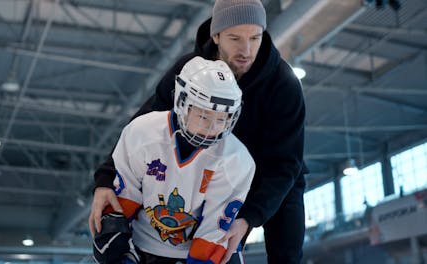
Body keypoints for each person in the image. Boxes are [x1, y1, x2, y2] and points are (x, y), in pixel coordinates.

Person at [90, 0, 308, 263]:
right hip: (212, 167)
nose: (246, 50)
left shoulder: (284, 85)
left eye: (255, 37)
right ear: (216, 35)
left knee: (287, 248)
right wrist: (105, 178)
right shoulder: (190, 70)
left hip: (270, 172)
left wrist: (250, 217)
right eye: (235, 38)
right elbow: (142, 127)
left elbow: (285, 166)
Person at [92, 56, 255, 264]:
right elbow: (123, 201)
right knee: (108, 234)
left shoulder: (236, 159)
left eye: (222, 119)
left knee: (225, 251)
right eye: (204, 116)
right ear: (182, 102)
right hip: (143, 243)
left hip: (195, 246)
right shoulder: (142, 132)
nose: (213, 128)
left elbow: (212, 233)